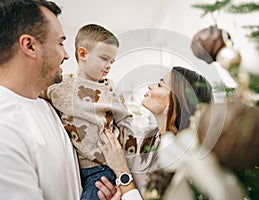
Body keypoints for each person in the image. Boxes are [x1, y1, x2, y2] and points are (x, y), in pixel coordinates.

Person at [0, 0, 82, 199]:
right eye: (60, 43)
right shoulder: (5, 129)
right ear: (30, 46)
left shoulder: (45, 107)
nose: (66, 55)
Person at [45, 24, 137, 200]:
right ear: (83, 54)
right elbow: (36, 90)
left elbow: (125, 120)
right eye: (104, 58)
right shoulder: (59, 86)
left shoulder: (110, 89)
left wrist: (129, 161)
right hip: (77, 169)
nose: (108, 65)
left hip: (104, 169)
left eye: (112, 61)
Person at [95, 66, 213, 199]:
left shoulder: (181, 158)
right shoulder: (149, 139)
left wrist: (122, 172)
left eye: (160, 85)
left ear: (174, 101)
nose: (151, 86)